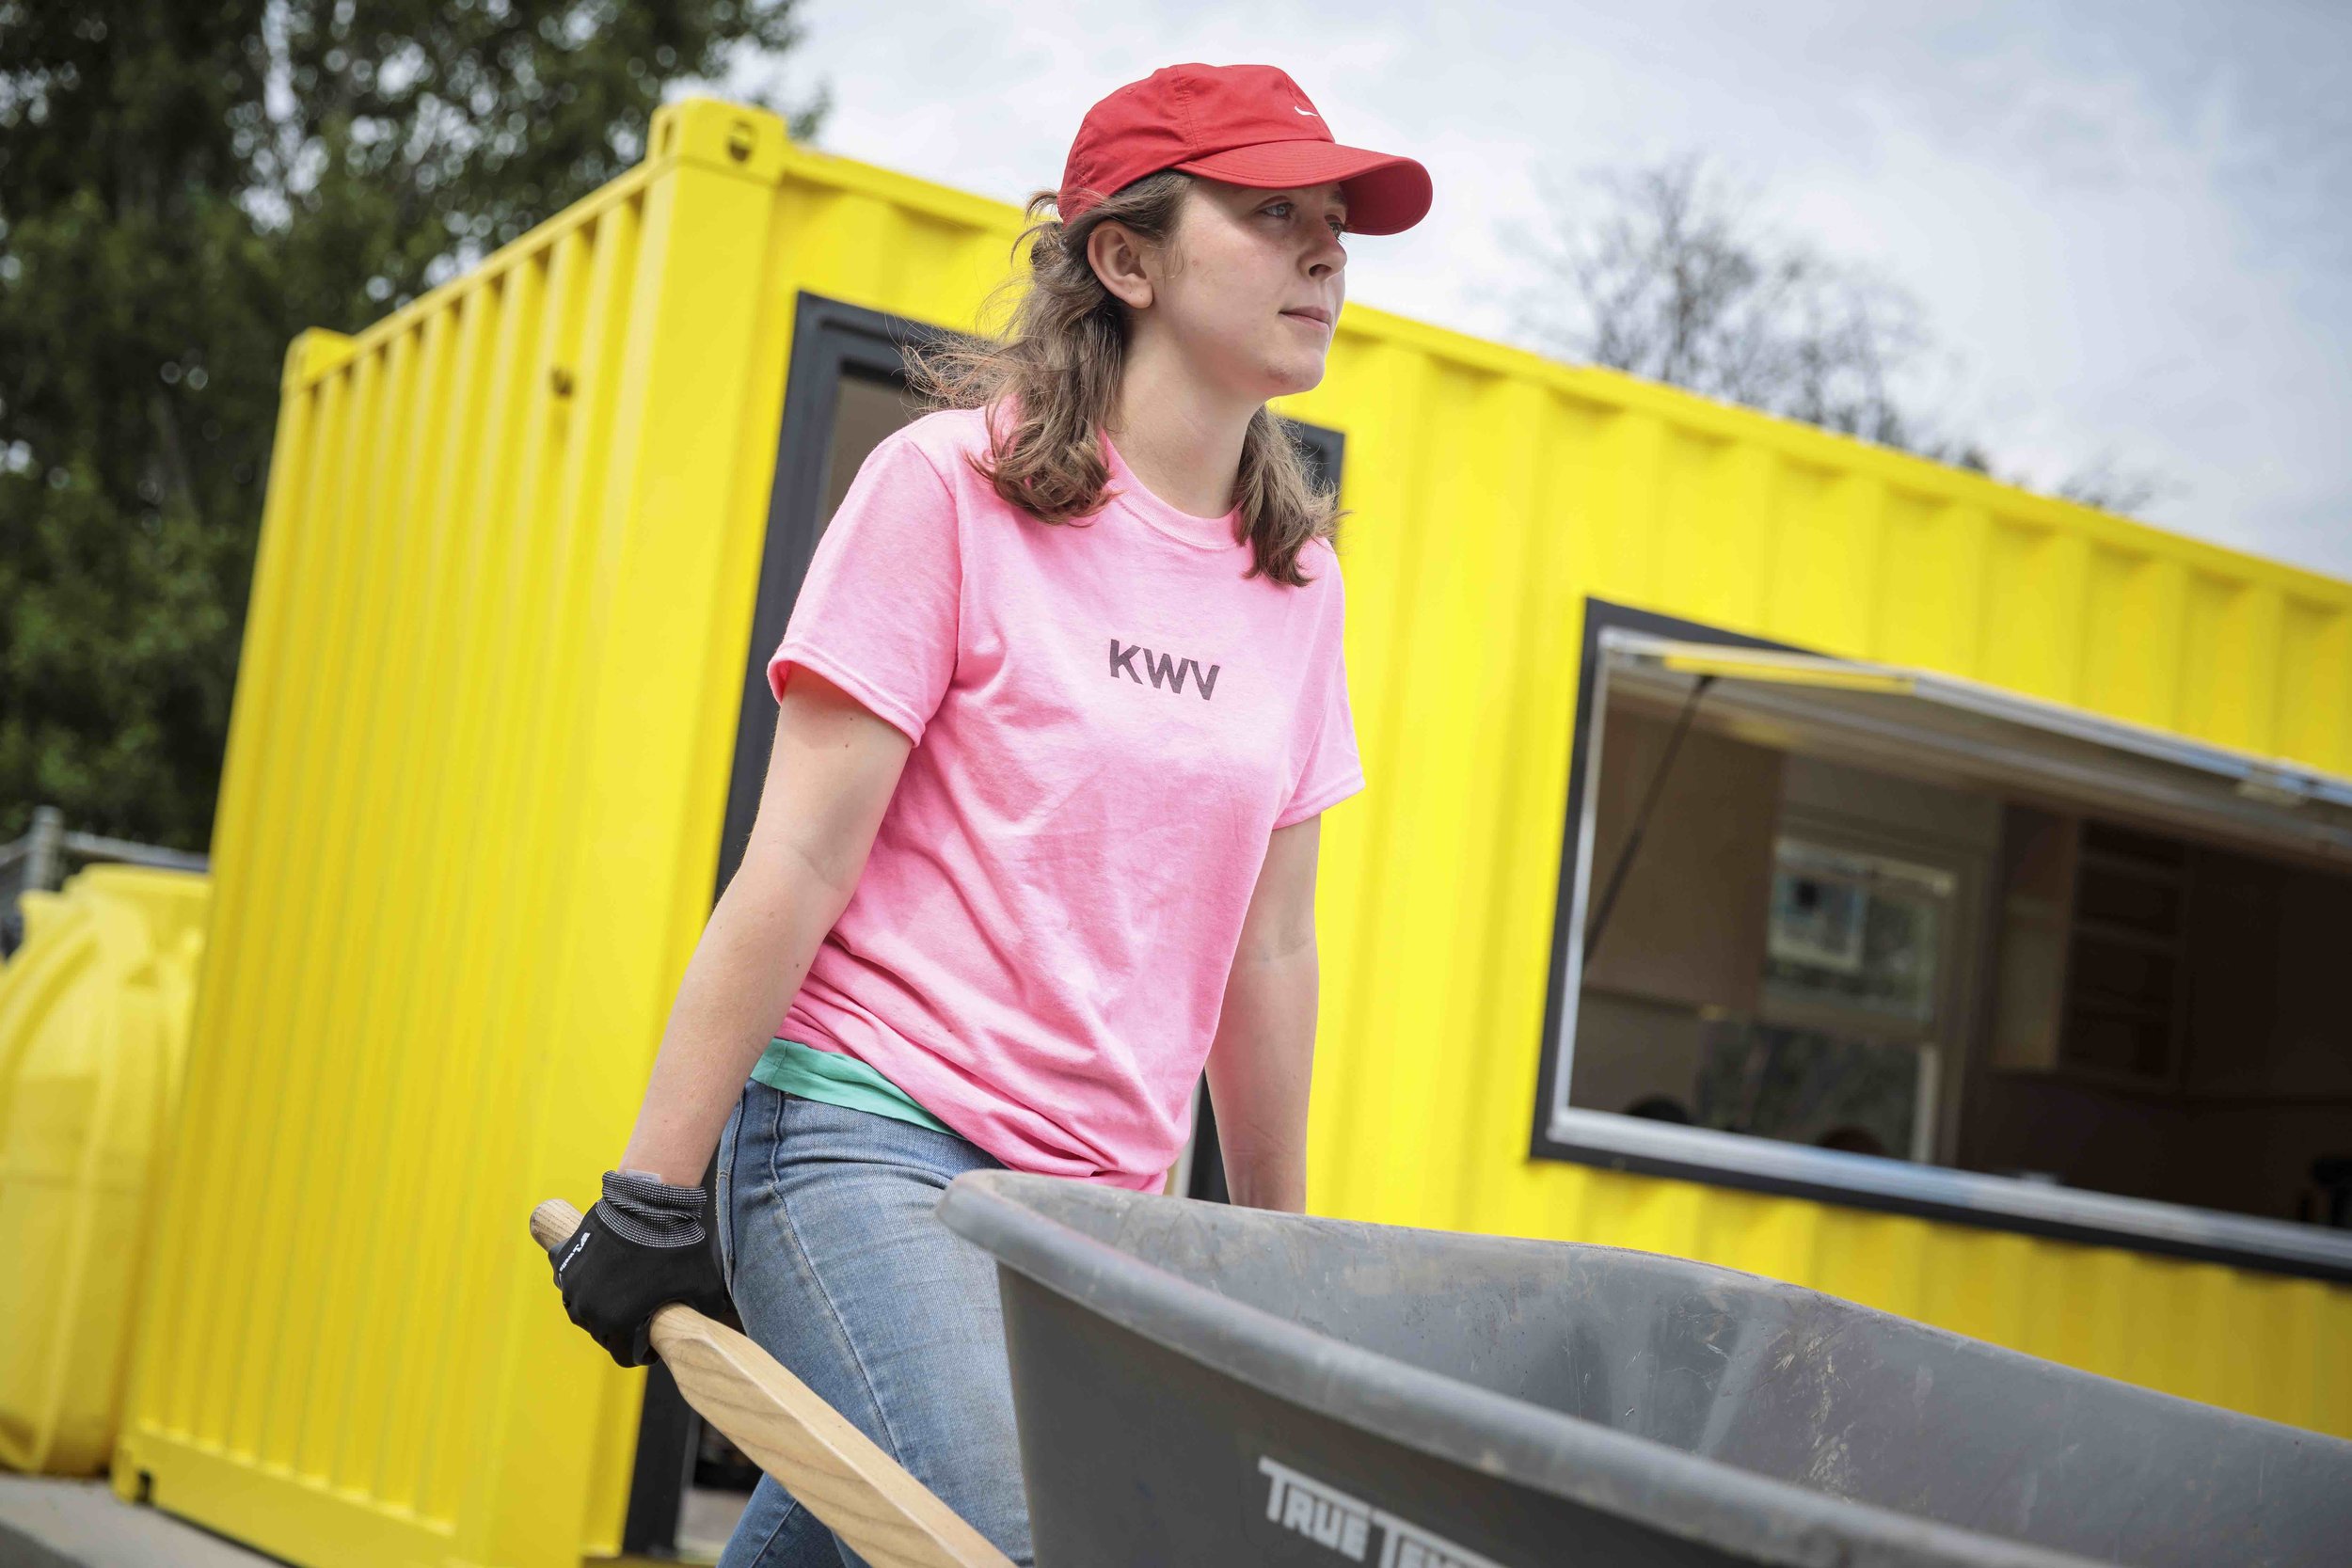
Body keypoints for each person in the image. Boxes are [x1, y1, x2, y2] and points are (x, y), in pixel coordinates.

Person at [547, 62, 1431, 1566]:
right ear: (1126, 256)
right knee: (1039, 1541)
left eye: (1333, 221)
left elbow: (1268, 955)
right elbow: (802, 857)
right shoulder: (947, 492)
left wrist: (1274, 1265)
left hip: (1094, 1225)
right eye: (1273, 212)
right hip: (868, 1149)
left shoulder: (1296, 585)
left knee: (861, 1537)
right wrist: (654, 1184)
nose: (1326, 252)